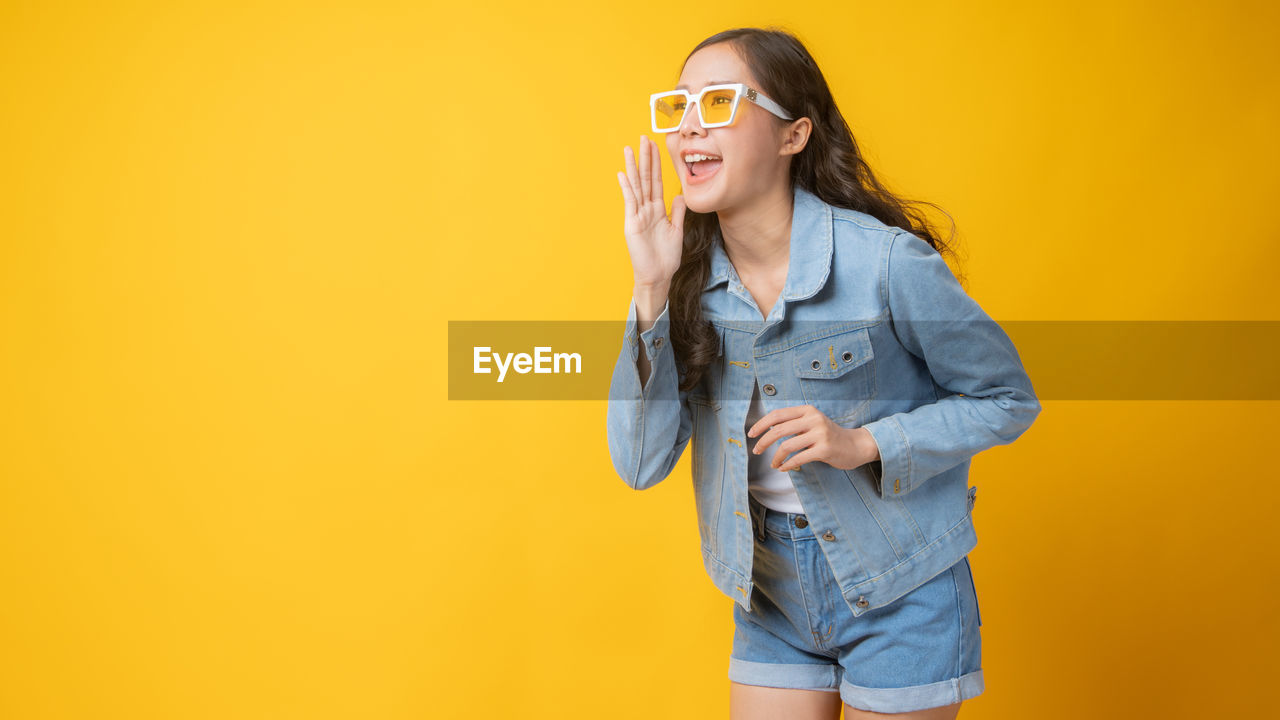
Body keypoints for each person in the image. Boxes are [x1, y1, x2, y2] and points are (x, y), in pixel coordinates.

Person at [606, 27, 1041, 720]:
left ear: (793, 135)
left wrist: (865, 445)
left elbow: (1005, 398)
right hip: (771, 594)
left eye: (718, 102)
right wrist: (650, 293)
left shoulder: (886, 265)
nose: (689, 126)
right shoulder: (683, 280)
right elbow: (639, 462)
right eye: (679, 105)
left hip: (905, 588)